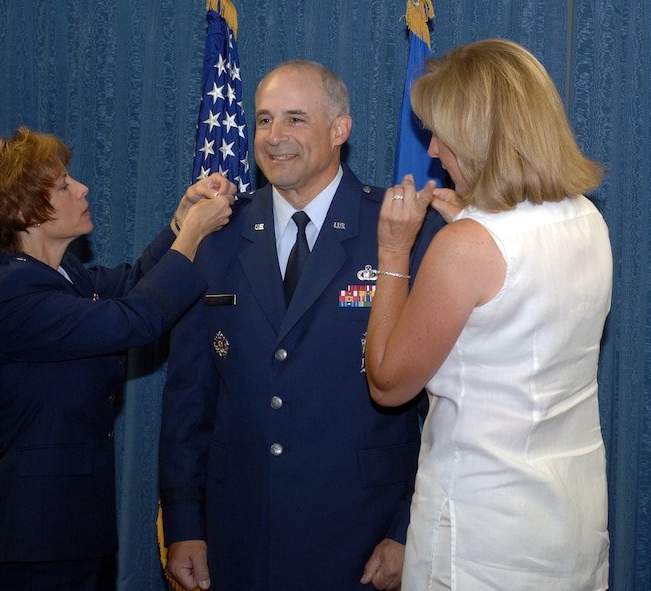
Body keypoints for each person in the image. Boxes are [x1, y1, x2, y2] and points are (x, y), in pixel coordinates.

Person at [158, 60, 442, 591]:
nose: (274, 138)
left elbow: (441, 408)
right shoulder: (216, 233)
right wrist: (184, 522)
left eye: (294, 119)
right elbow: (189, 398)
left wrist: (408, 527)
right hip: (238, 532)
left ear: (340, 130)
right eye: (264, 120)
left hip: (361, 534)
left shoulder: (402, 231)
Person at [364, 39, 612, 589]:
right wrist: (471, 231)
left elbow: (387, 383)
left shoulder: (468, 248)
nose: (432, 150)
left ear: (479, 138)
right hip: (568, 520)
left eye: (440, 132)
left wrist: (393, 254)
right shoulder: (588, 219)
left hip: (480, 535)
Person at [0, 126, 235, 591]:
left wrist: (182, 221)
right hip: (32, 542)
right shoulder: (8, 293)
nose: (81, 188)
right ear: (26, 212)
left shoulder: (57, 273)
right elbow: (137, 320)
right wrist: (196, 237)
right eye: (63, 186)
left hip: (73, 529)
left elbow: (132, 283)